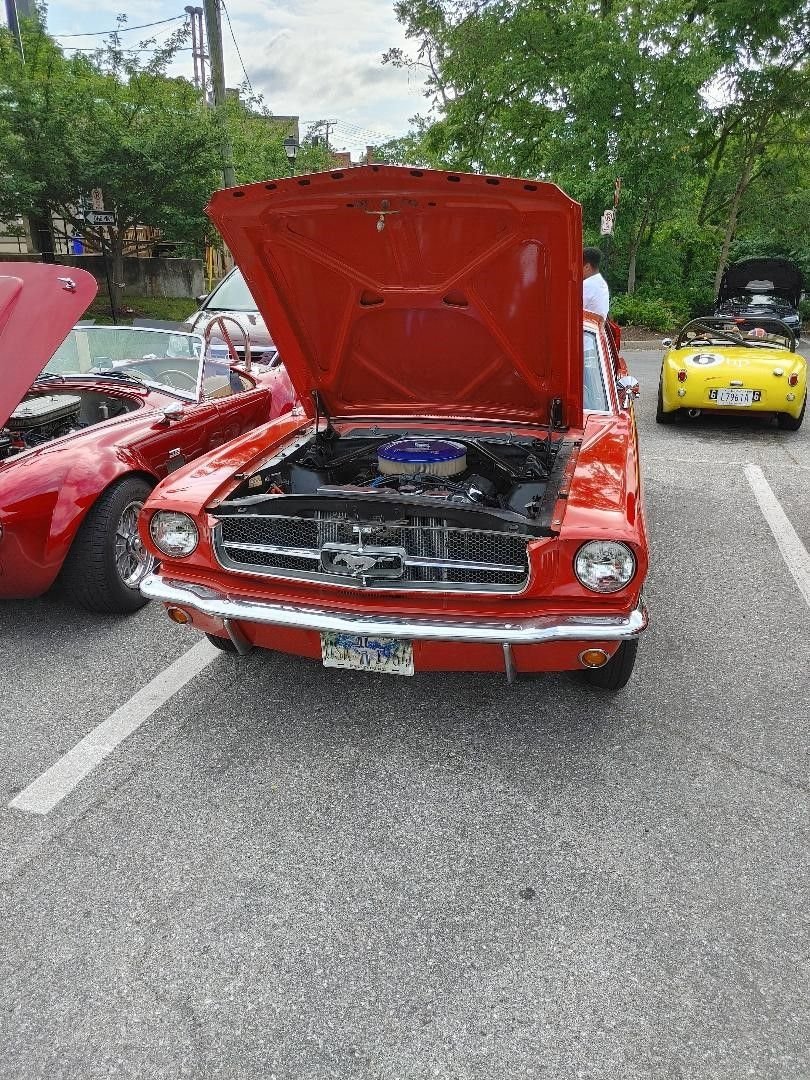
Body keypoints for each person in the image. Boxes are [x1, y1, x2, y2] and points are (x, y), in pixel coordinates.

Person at [583, 246, 610, 319]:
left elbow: (572, 309)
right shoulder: (602, 284)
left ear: (587, 267)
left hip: (587, 328)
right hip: (598, 328)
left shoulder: (586, 285)